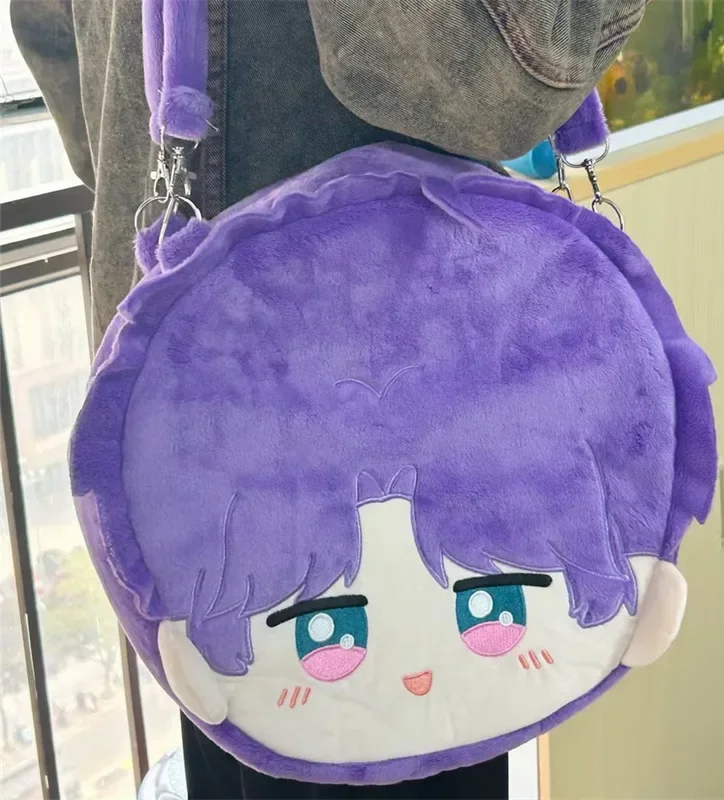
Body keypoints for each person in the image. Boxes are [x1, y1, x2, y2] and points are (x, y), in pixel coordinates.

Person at [12, 2, 646, 797]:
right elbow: (501, 87)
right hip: (421, 403)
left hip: (190, 438)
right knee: (431, 704)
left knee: (242, 702)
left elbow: (56, 47)